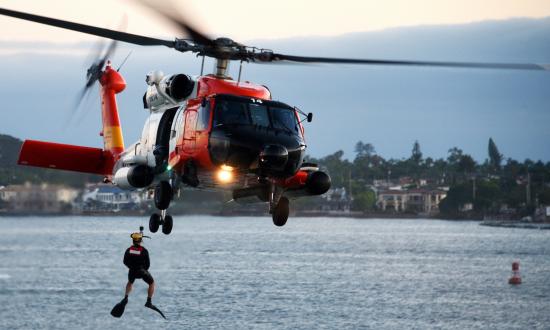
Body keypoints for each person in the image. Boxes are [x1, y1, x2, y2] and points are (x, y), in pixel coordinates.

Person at [111, 230, 165, 319]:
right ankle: (149, 301)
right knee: (151, 283)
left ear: (133, 241)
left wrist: (131, 267)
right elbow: (148, 264)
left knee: (130, 282)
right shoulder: (144, 251)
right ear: (140, 241)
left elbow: (125, 261)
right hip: (142, 271)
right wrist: (143, 270)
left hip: (132, 271)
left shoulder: (128, 250)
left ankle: (126, 297)